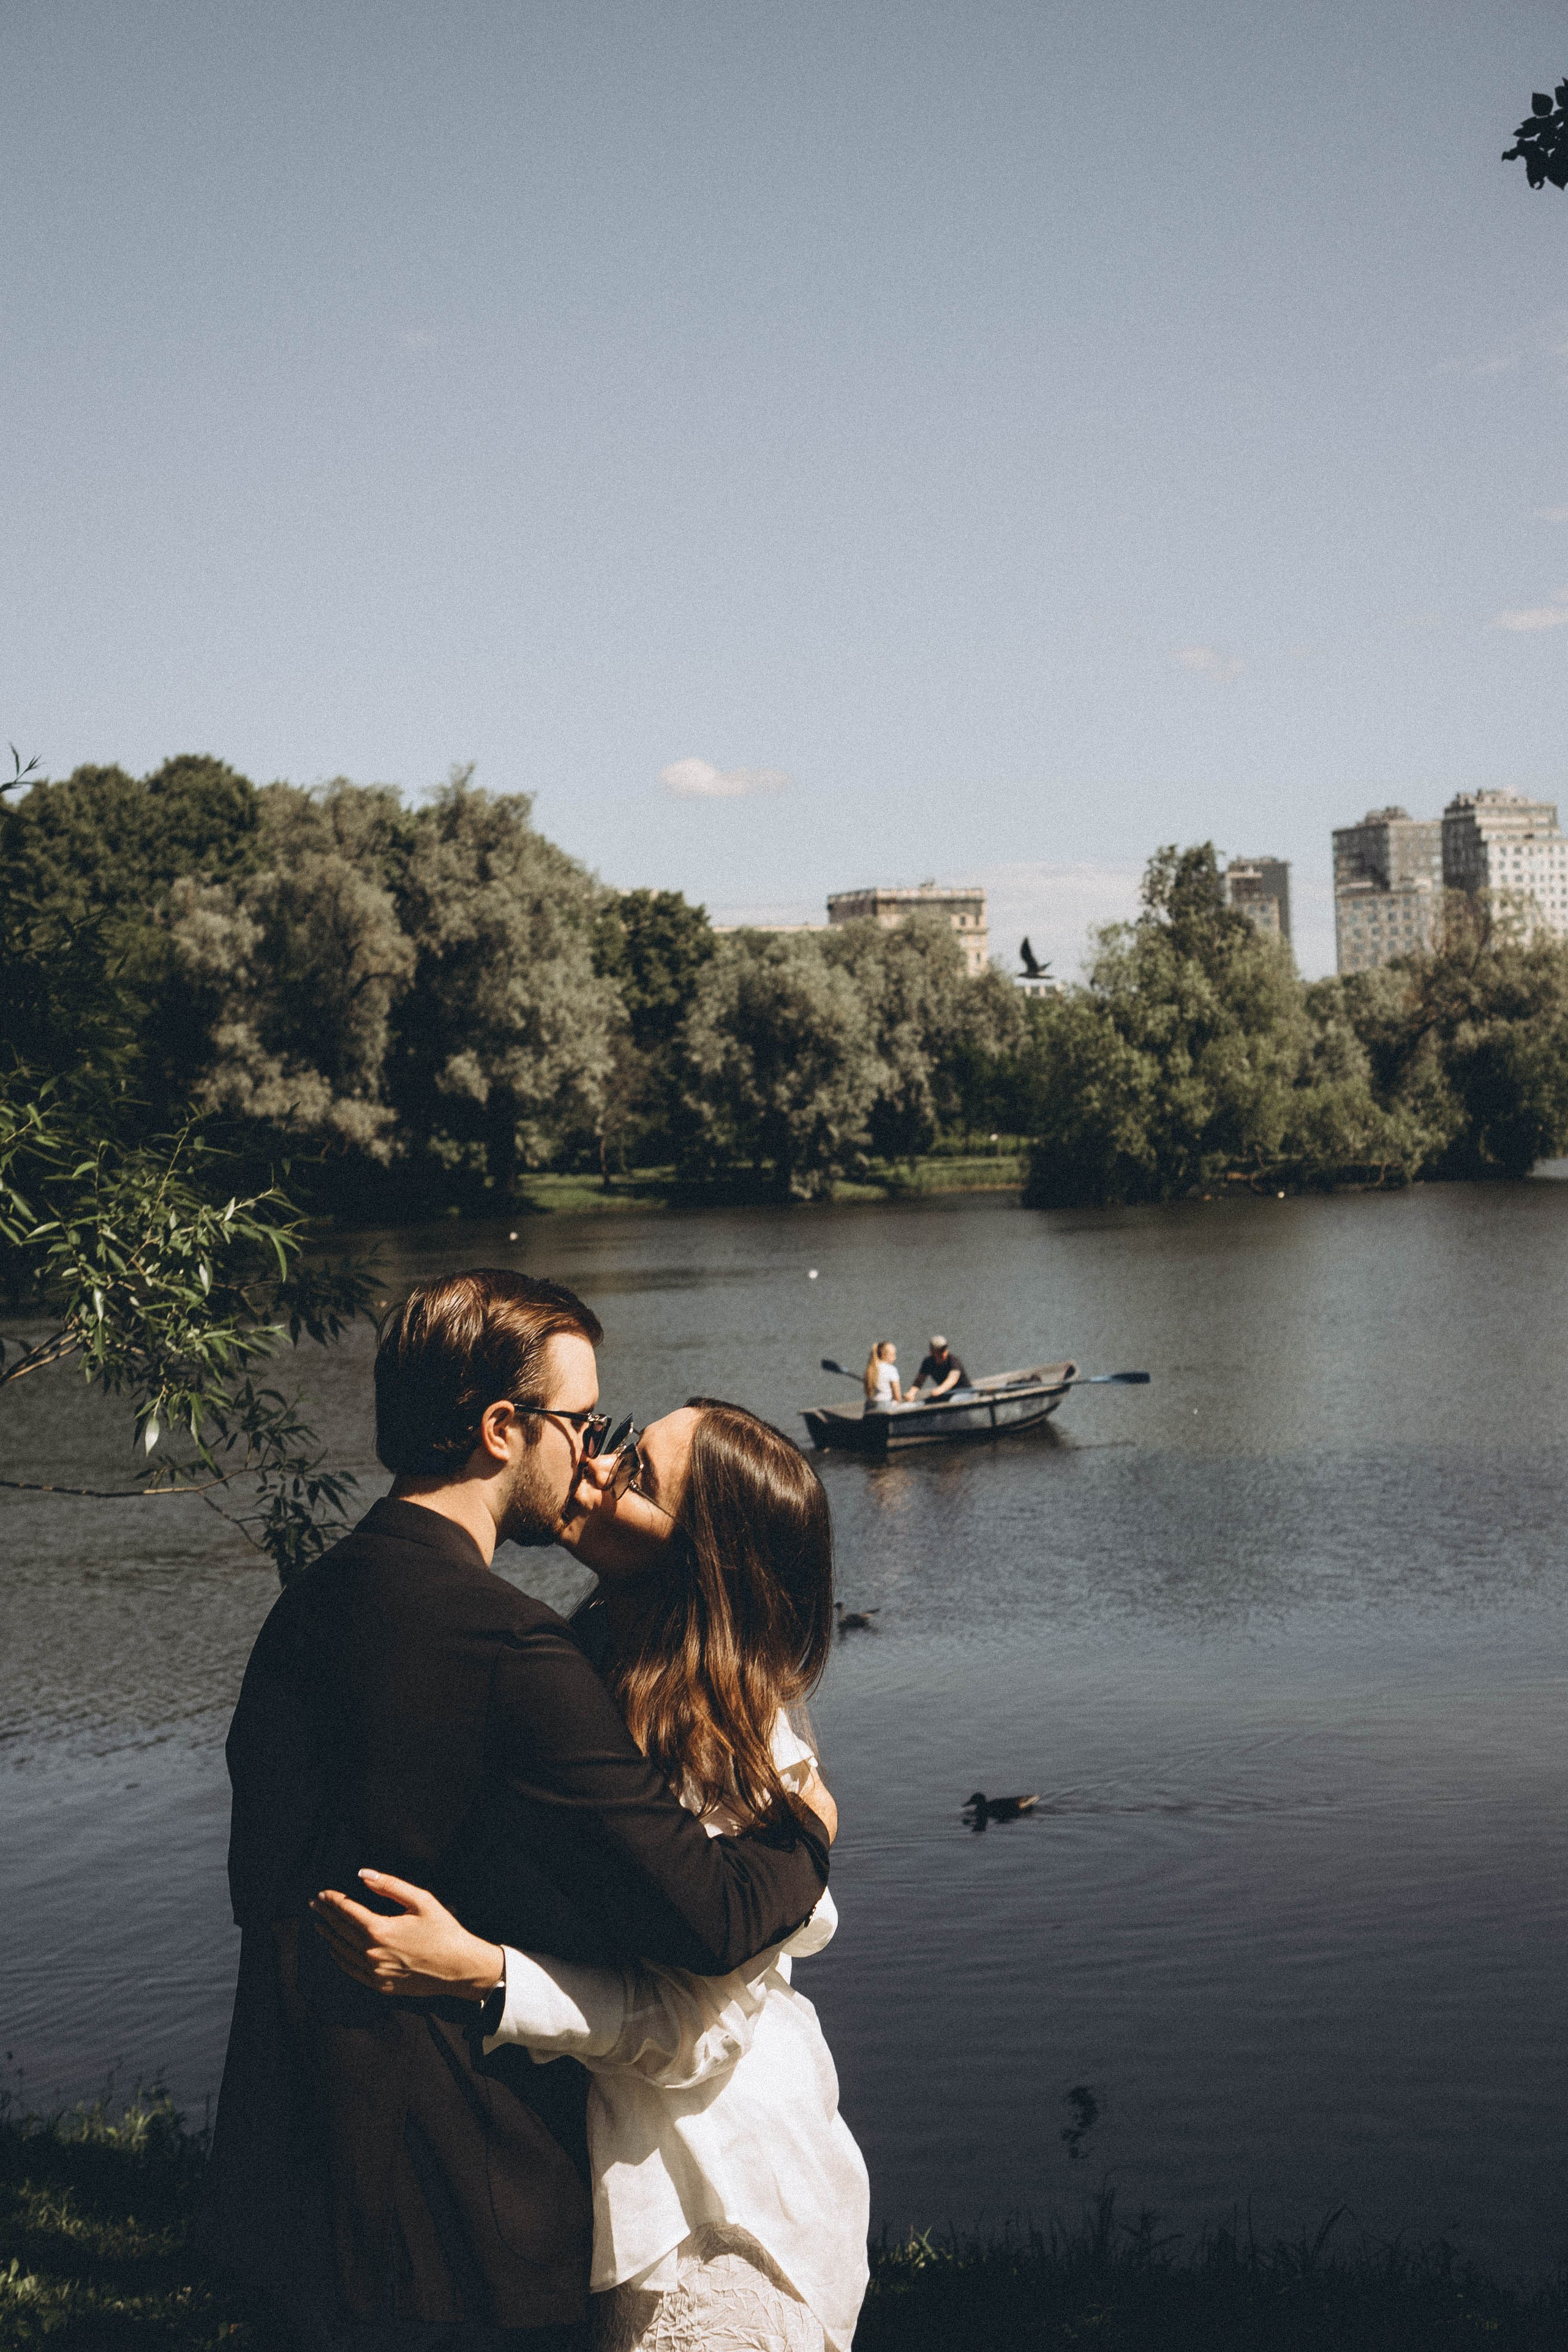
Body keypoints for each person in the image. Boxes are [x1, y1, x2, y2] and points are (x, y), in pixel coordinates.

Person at [208, 1271, 829, 2351]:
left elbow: (256, 1884)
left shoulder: (302, 1613)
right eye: (583, 1424)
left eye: (618, 1446)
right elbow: (710, 1917)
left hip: (290, 2174)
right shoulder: (517, 1653)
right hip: (462, 2215)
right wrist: (813, 1831)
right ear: (504, 1428)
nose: (588, 1456)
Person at [311, 1401, 869, 2352]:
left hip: (715, 2208)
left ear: (706, 1556)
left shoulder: (737, 1754)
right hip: (618, 2184)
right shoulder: (587, 1673)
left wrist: (487, 1975)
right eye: (617, 1442)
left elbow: (703, 2034)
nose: (597, 1469)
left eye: (638, 1475)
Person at [911, 1333, 968, 1399]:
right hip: (946, 1394)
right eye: (940, 1351)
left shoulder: (953, 1360)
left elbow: (953, 1379)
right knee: (926, 1403)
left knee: (953, 1401)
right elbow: (919, 1382)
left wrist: (940, 1390)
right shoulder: (928, 1362)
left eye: (945, 1349)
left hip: (965, 1392)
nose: (944, 1353)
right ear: (932, 1352)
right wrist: (912, 1393)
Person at [862, 1338, 903, 1406]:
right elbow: (898, 1398)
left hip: (869, 1407)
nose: (895, 1358)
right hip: (885, 1408)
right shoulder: (891, 1369)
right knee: (918, 1404)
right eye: (893, 1355)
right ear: (883, 1355)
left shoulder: (869, 1370)